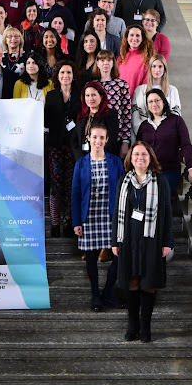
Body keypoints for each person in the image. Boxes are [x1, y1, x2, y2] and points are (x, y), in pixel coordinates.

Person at [112, 141, 173, 342]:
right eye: (136, 154)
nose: (140, 157)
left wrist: (167, 242)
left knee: (149, 283)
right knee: (131, 282)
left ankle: (145, 327)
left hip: (152, 239)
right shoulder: (124, 181)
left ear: (150, 158)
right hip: (128, 238)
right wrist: (114, 240)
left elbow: (166, 212)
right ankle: (132, 326)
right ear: (131, 158)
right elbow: (116, 213)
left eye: (144, 154)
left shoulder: (160, 181)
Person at [71, 123, 124, 310]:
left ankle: (108, 292)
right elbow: (76, 194)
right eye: (94, 137)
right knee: (91, 257)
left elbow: (123, 191)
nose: (98, 141)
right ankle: (95, 296)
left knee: (119, 255)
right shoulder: (81, 164)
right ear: (89, 138)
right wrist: (76, 221)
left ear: (107, 140)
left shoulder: (116, 162)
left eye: (102, 137)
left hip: (111, 215)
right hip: (89, 215)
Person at [137, 89, 192, 195]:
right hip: (147, 172)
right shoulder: (144, 125)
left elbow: (186, 145)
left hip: (169, 172)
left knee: (162, 202)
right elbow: (137, 149)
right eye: (150, 101)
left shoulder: (176, 121)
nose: (154, 104)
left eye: (157, 100)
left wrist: (191, 167)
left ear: (163, 102)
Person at [45, 60, 82, 237]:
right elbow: (46, 121)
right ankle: (54, 223)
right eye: (62, 73)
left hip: (73, 147)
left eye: (68, 73)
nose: (65, 76)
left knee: (70, 185)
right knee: (55, 185)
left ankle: (68, 222)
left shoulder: (80, 95)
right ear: (57, 76)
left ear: (73, 76)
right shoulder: (51, 95)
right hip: (55, 146)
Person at [132, 54, 181, 140]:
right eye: (154, 66)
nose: (157, 70)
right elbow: (135, 117)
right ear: (150, 69)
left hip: (167, 137)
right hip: (144, 137)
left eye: (160, 66)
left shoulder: (173, 90)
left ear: (164, 69)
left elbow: (176, 115)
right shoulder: (139, 90)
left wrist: (162, 133)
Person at [93, 50, 131, 160]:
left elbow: (126, 114)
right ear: (98, 63)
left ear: (113, 63)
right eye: (102, 60)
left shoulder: (121, 85)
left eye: (109, 60)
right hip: (96, 137)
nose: (105, 63)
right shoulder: (92, 85)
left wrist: (125, 142)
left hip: (116, 137)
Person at [71, 81, 119, 161]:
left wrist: (96, 157)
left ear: (101, 97)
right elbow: (74, 140)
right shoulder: (82, 115)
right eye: (87, 95)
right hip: (82, 160)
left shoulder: (110, 114)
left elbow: (111, 140)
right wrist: (81, 159)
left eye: (93, 95)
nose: (90, 98)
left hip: (102, 159)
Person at [117, 25, 155, 96]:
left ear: (142, 38)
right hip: (120, 101)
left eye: (137, 35)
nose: (134, 38)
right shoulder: (120, 58)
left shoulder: (147, 59)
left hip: (137, 101)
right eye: (131, 35)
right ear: (127, 38)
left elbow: (146, 84)